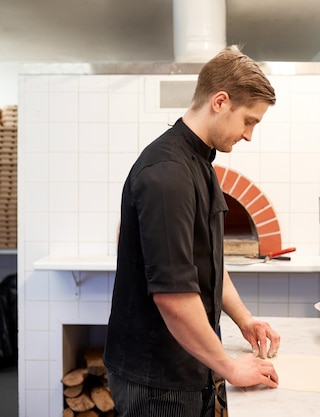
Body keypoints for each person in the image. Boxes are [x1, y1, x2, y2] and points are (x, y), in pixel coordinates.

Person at [103, 45, 281, 417]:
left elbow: (208, 262)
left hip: (188, 366)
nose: (249, 135)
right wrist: (231, 367)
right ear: (220, 101)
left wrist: (244, 318)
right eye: (249, 120)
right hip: (157, 381)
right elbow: (174, 297)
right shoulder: (167, 173)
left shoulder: (199, 162)